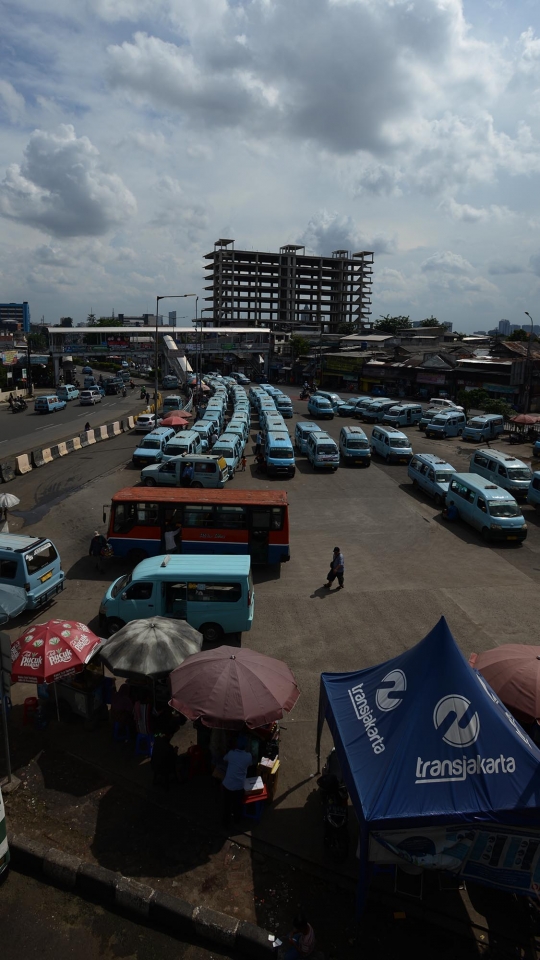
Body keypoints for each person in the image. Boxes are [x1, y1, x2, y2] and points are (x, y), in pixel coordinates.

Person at [221, 735, 252, 827]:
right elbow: (250, 764)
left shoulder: (231, 754)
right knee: (237, 804)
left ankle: (225, 824)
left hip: (227, 785)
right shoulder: (248, 756)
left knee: (227, 805)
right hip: (239, 786)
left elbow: (224, 759)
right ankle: (237, 820)